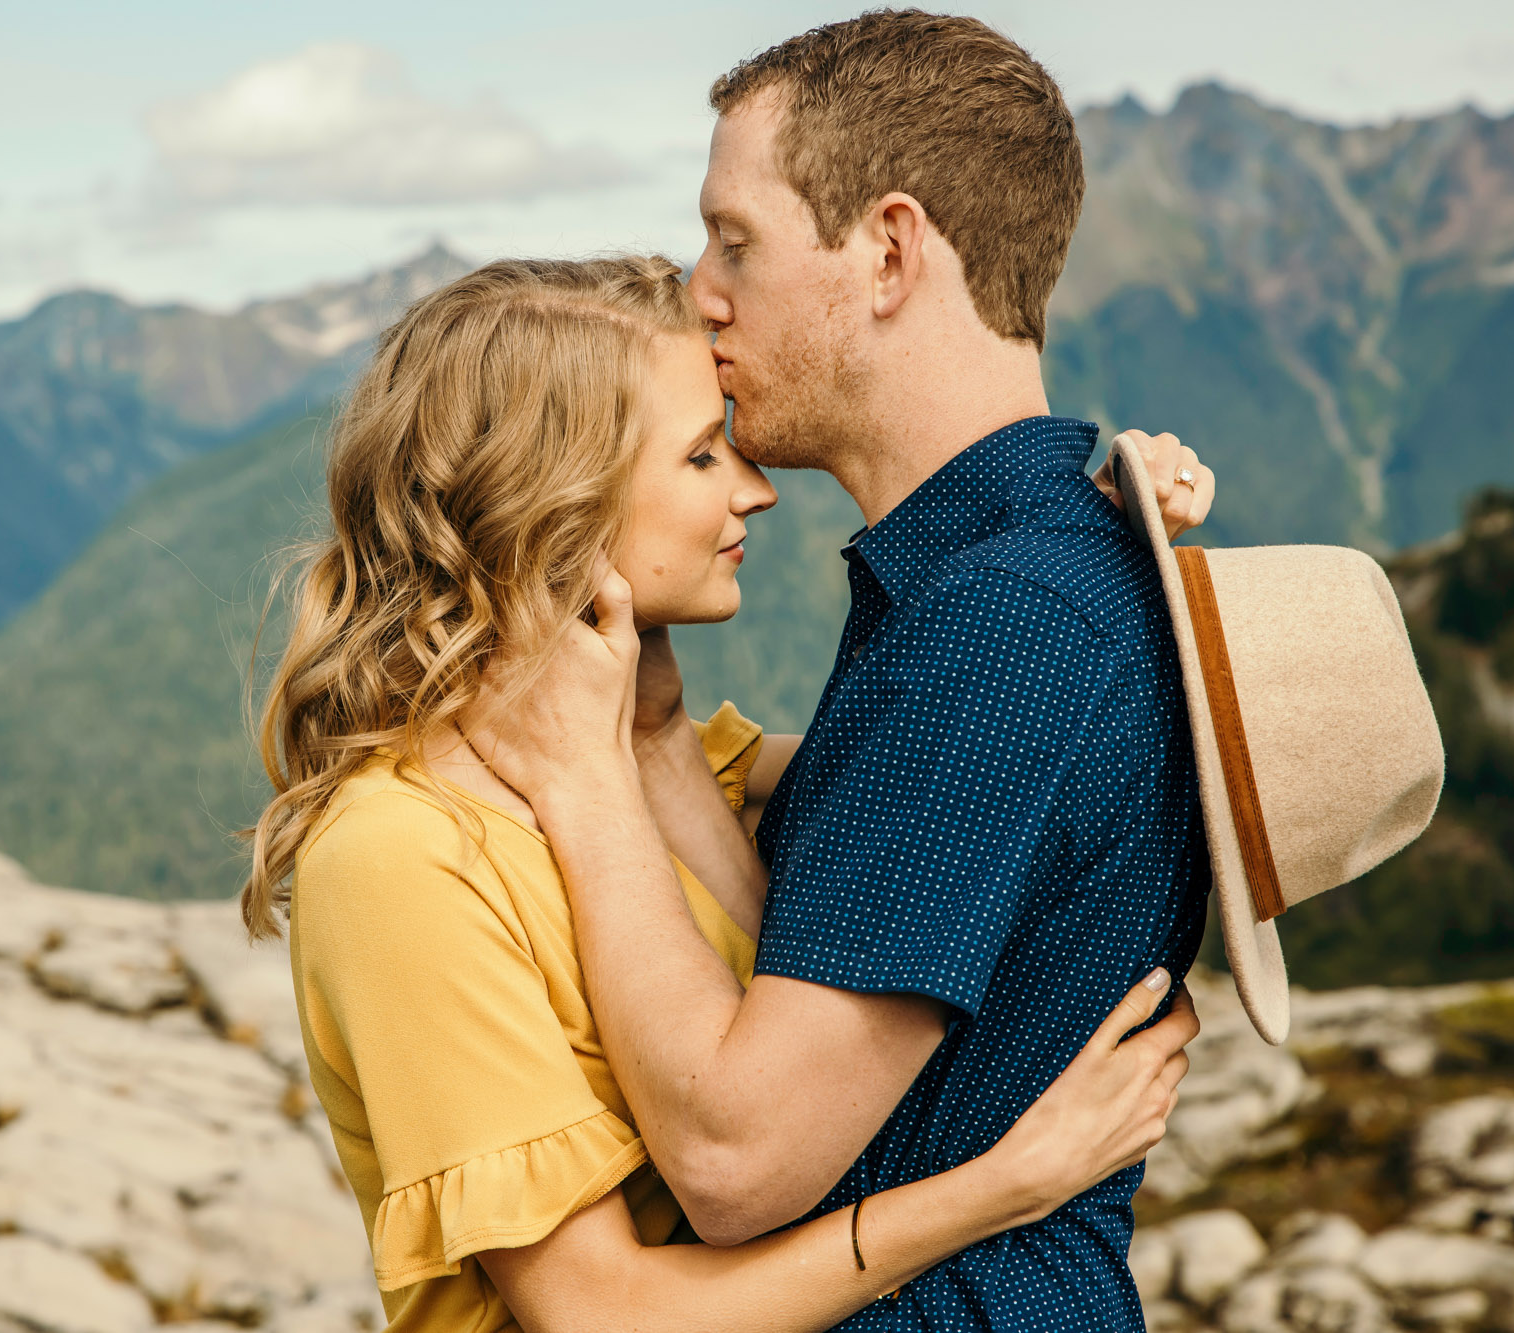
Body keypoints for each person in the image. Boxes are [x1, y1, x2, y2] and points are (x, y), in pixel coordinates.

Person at [242, 255, 1213, 1332]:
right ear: (548, 497)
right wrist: (997, 1189)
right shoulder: (400, 858)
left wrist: (1083, 559)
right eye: (703, 454)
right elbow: (598, 1314)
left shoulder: (661, 756)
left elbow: (960, 766)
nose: (752, 487)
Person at [463, 13, 1214, 1331]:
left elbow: (735, 1160)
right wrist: (649, 735)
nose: (703, 290)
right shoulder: (980, 579)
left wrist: (580, 781)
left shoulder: (1002, 630)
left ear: (888, 251)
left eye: (735, 239)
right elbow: (811, 945)